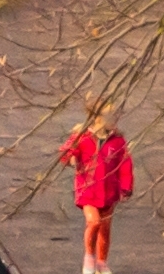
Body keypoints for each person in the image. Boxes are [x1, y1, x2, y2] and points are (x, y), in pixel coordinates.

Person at [66, 100, 137, 272]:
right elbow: (68, 151)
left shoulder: (118, 141)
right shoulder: (82, 137)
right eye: (109, 116)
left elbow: (125, 165)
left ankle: (102, 262)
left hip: (109, 191)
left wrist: (126, 187)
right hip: (88, 190)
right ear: (97, 118)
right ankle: (89, 258)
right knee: (94, 222)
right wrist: (71, 158)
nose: (113, 119)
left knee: (105, 229)